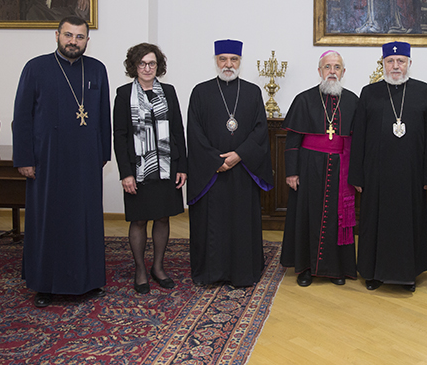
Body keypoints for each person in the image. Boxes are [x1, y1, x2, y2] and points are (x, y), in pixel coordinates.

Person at [13, 15, 110, 307]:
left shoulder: (97, 69)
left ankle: (88, 281)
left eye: (79, 37)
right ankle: (44, 285)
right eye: (68, 35)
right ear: (57, 35)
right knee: (48, 221)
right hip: (47, 161)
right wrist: (25, 158)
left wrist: (102, 154)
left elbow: (103, 116)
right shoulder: (36, 68)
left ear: (87, 40)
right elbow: (22, 117)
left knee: (85, 221)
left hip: (85, 162)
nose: (73, 42)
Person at [349, 41, 427, 292]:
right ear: (383, 64)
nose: (396, 66)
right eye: (390, 61)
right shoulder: (369, 93)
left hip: (412, 174)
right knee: (375, 223)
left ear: (409, 63)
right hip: (376, 175)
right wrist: (357, 175)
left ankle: (407, 274)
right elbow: (359, 137)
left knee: (408, 224)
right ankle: (373, 272)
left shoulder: (424, 91)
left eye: (401, 61)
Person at [186, 39, 273, 287]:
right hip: (211, 173)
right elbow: (194, 131)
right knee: (212, 224)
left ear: (240, 62)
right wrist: (215, 160)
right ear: (216, 61)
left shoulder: (252, 92)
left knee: (241, 223)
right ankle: (211, 273)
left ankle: (243, 272)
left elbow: (260, 130)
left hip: (243, 171)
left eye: (233, 59)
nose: (228, 64)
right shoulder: (200, 92)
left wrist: (239, 154)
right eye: (223, 59)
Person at [113, 43, 187, 294]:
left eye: (152, 63)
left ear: (158, 66)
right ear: (134, 66)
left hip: (166, 167)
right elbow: (120, 136)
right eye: (142, 63)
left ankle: (158, 267)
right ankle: (140, 270)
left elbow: (178, 130)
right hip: (138, 170)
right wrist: (126, 173)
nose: (147, 68)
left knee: (163, 217)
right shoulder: (124, 94)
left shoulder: (169, 92)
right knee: (138, 220)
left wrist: (182, 166)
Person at [281, 50, 359, 287]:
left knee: (337, 218)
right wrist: (292, 172)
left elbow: (359, 141)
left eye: (337, 67)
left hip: (341, 169)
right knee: (307, 216)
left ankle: (336, 269)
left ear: (343, 72)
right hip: (309, 167)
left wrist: (356, 174)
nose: (332, 71)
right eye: (327, 67)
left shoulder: (353, 101)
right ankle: (306, 268)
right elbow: (292, 140)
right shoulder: (304, 100)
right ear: (319, 70)